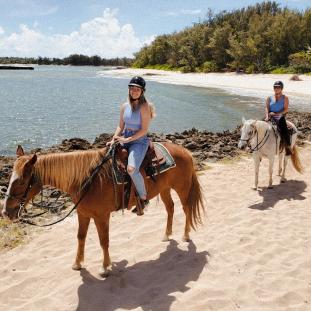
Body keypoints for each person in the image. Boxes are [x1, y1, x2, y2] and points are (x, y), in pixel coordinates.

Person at [107, 76, 155, 211]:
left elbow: (144, 130)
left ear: (142, 91)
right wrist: (114, 138)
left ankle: (144, 199)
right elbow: (120, 125)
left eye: (137, 89)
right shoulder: (124, 106)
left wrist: (128, 140)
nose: (134, 91)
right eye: (132, 88)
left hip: (139, 141)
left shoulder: (145, 107)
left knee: (132, 170)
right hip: (124, 138)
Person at [265, 80, 292, 155]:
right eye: (275, 87)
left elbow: (286, 109)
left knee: (285, 132)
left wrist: (276, 113)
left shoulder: (285, 98)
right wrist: (267, 116)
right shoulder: (269, 98)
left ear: (281, 88)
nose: (276, 88)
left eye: (278, 87)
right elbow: (266, 108)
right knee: (258, 127)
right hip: (270, 116)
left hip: (279, 117)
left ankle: (288, 147)